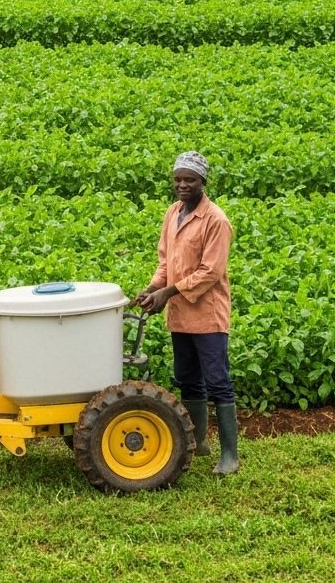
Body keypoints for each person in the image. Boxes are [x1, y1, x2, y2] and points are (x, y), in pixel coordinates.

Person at [134, 151, 239, 475]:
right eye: (178, 179)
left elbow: (210, 272)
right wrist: (153, 288)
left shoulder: (216, 220)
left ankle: (230, 456)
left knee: (217, 381)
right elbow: (166, 262)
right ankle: (199, 442)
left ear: (202, 182)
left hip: (207, 315)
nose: (182, 185)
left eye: (189, 180)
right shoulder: (173, 213)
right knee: (188, 379)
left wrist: (167, 293)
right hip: (181, 314)